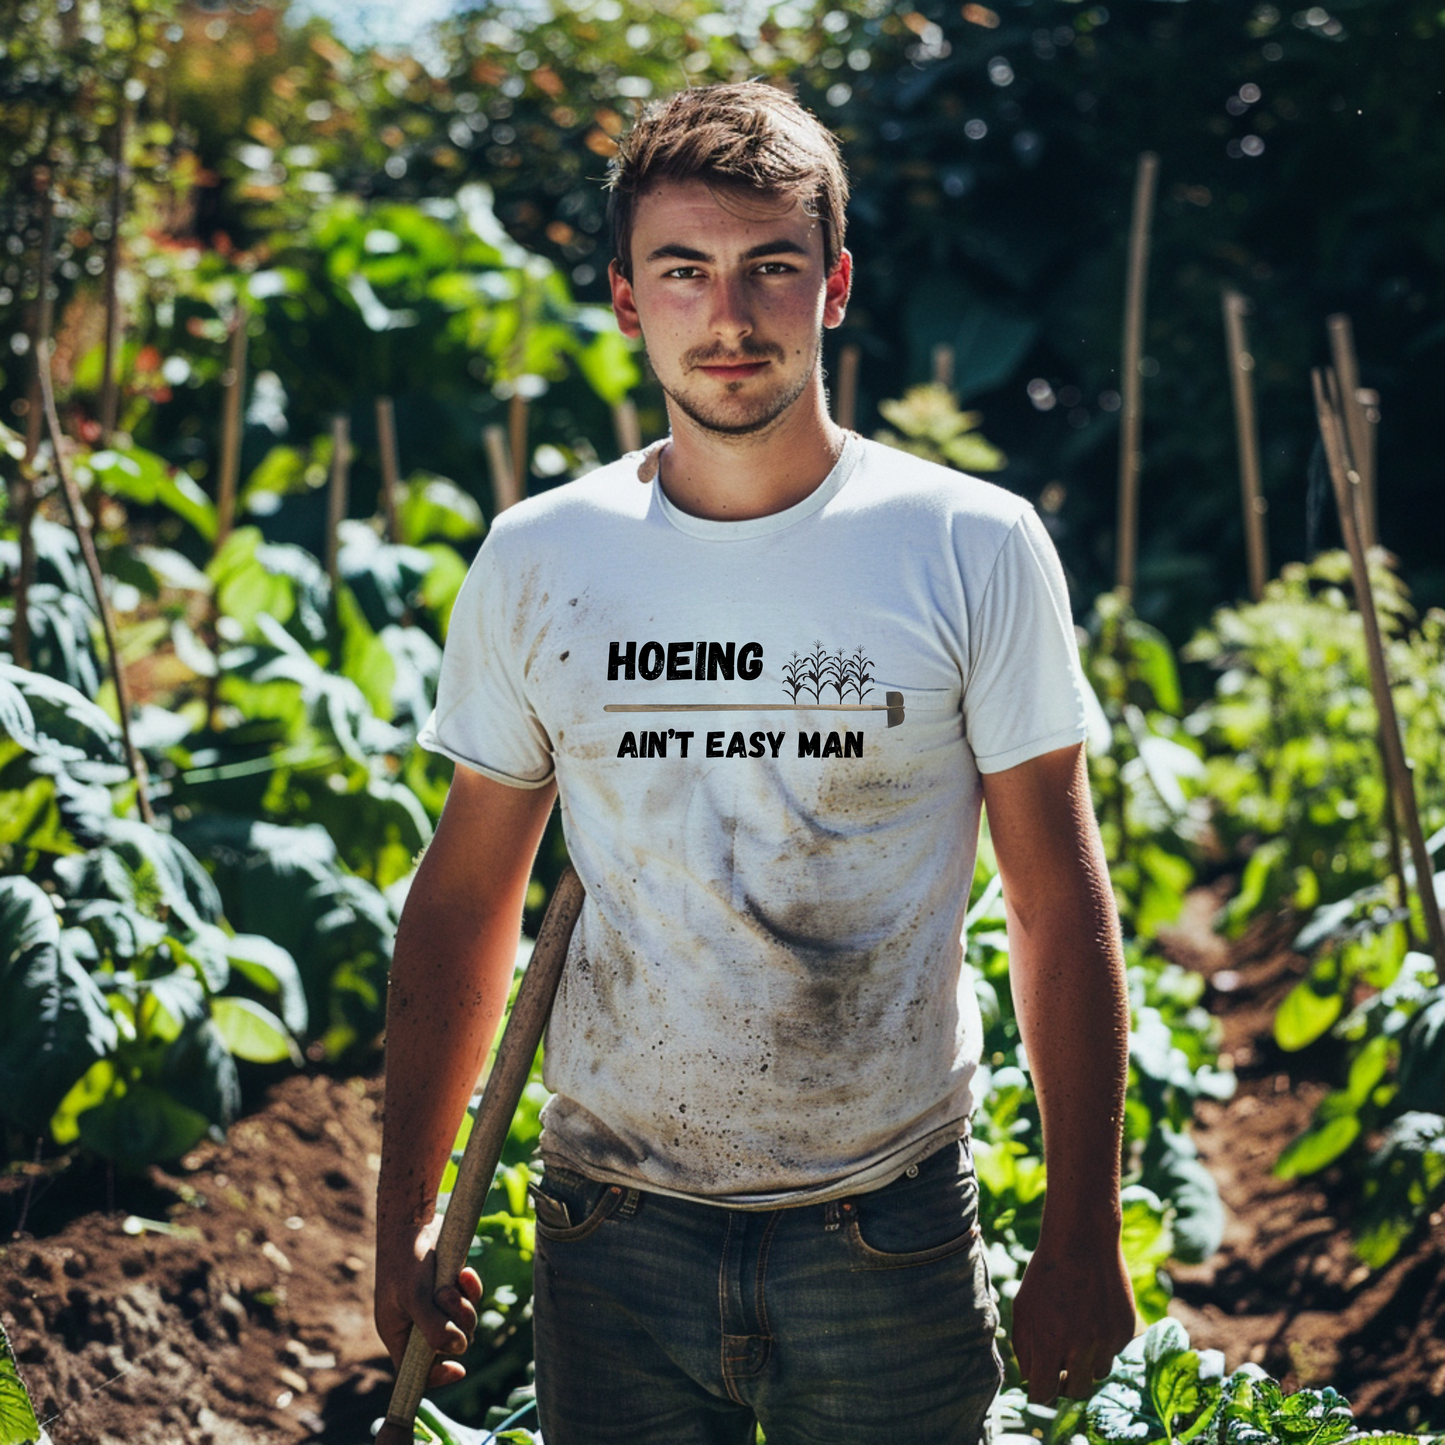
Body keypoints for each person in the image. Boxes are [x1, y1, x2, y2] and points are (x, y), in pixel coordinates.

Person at [374, 80, 1135, 1445]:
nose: (727, 317)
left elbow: (1054, 902)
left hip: (888, 1221)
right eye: (685, 272)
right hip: (610, 1227)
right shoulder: (543, 558)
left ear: (832, 284)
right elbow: (467, 894)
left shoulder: (970, 543)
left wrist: (1086, 1232)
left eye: (769, 268)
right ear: (625, 298)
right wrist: (404, 1207)